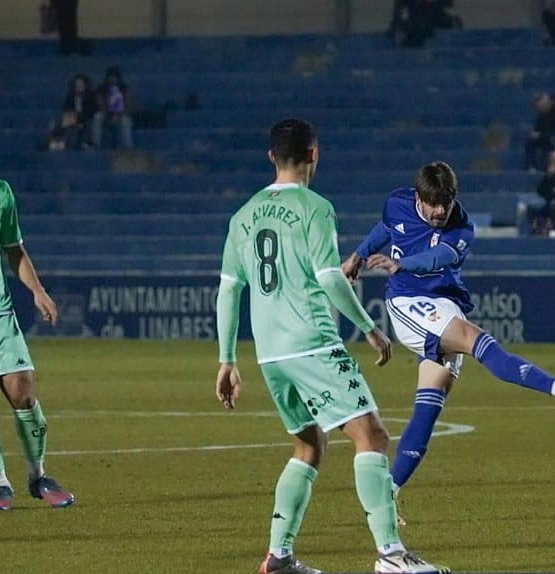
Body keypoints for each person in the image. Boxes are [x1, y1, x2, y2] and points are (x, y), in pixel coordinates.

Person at [214, 119, 447, 574]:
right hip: (312, 343)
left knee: (308, 447)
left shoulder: (242, 215)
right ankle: (391, 555)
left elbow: (228, 290)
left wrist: (226, 359)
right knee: (372, 436)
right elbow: (329, 278)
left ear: (271, 157)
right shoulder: (314, 208)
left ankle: (278, 556)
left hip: (270, 354)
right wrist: (369, 327)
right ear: (314, 155)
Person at [341, 161, 555, 520]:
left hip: (444, 303)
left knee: (428, 408)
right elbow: (385, 227)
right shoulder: (397, 202)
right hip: (407, 302)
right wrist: (359, 255)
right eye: (433, 203)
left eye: (447, 201)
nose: (441, 210)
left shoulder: (462, 228)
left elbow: (438, 257)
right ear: (419, 198)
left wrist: (402, 263)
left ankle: (385, 497)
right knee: (476, 339)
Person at [0, 123, 74, 512]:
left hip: (1, 313)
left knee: (23, 392)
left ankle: (38, 475)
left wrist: (37, 291)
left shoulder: (1, 192)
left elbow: (14, 251)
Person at [92, 65, 133, 149]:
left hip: (121, 115)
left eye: (114, 77)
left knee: (125, 121)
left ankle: (128, 148)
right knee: (97, 117)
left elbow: (128, 105)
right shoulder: (101, 89)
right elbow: (100, 105)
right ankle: (96, 145)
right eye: (110, 77)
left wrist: (118, 114)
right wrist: (110, 114)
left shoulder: (124, 89)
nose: (112, 79)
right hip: (106, 115)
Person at [61, 73, 97, 148]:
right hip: (73, 119)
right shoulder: (71, 96)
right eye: (77, 84)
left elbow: (92, 111)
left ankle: (88, 143)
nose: (79, 86)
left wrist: (80, 120)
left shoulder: (91, 95)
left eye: (81, 84)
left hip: (87, 119)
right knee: (66, 122)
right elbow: (66, 109)